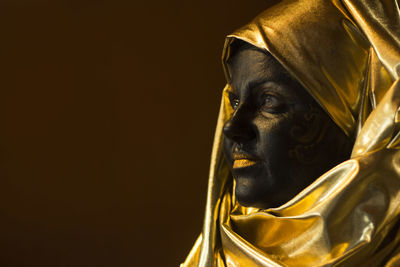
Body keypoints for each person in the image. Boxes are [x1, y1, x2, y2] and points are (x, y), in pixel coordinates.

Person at [182, 0, 400, 266]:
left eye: (269, 101)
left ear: (360, 117)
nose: (231, 127)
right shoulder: (218, 254)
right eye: (235, 102)